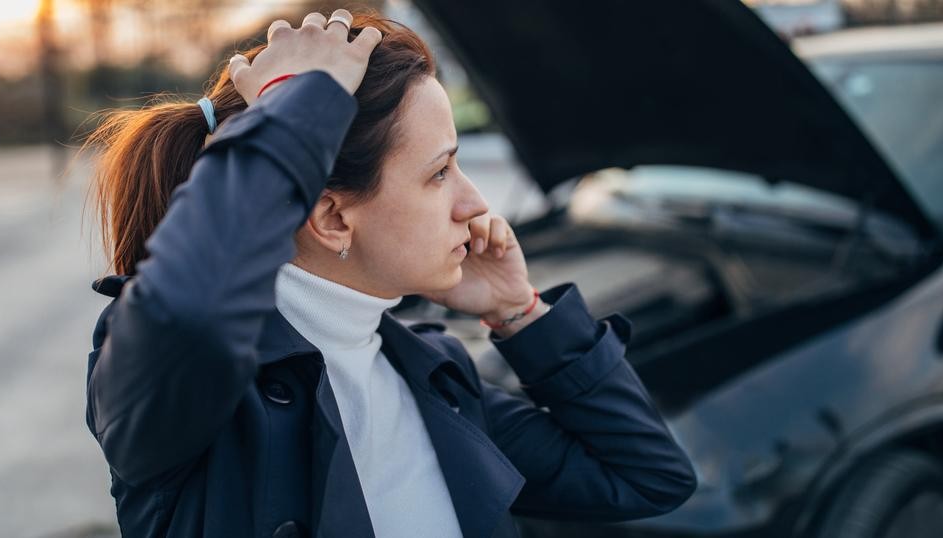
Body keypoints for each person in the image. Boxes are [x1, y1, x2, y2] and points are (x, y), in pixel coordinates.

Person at [82, 9, 697, 537]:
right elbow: (191, 298)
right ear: (331, 218)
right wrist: (299, 102)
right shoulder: (187, 385)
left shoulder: (431, 375)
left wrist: (519, 311)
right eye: (439, 173)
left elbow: (647, 478)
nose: (476, 204)